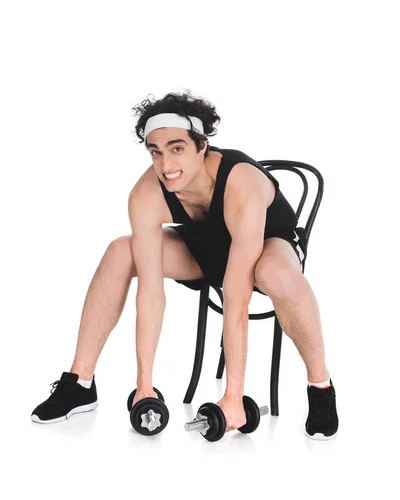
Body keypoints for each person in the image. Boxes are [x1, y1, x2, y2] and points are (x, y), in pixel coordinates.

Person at [31, 91, 338, 440]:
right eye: (155, 151)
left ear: (201, 145)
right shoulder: (146, 194)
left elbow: (235, 300)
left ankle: (321, 388)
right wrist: (143, 386)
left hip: (269, 249)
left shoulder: (242, 183)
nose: (165, 165)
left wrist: (234, 396)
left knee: (273, 273)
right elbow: (150, 294)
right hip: (205, 252)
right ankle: (80, 384)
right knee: (121, 250)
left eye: (177, 148)